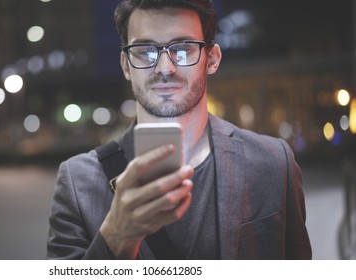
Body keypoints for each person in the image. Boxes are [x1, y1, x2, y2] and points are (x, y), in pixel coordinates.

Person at [46, 0, 312, 260]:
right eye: (145, 51)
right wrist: (117, 234)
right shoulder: (77, 181)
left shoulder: (274, 162)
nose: (164, 68)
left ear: (212, 59)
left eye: (183, 49)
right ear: (126, 64)